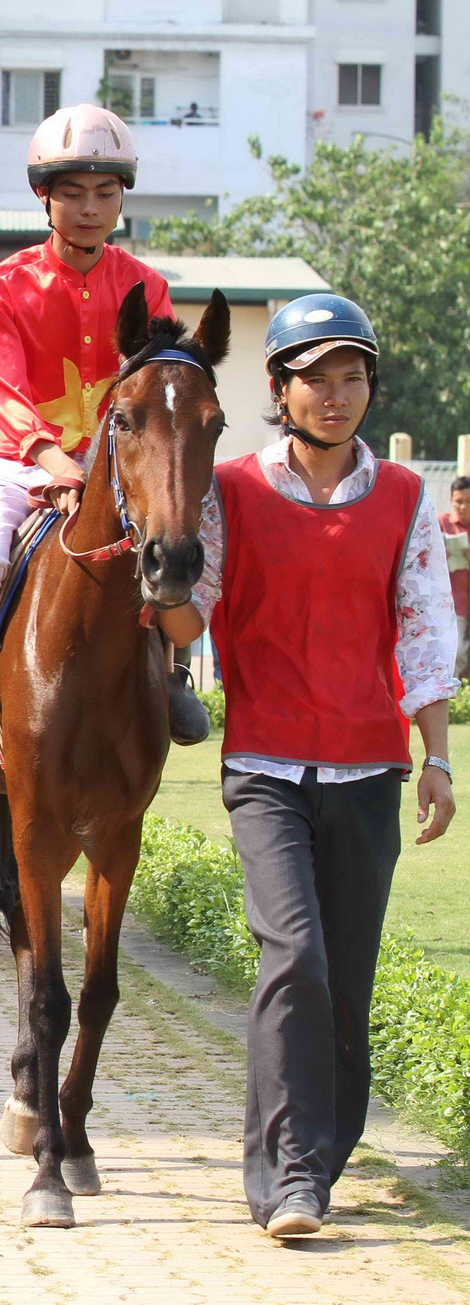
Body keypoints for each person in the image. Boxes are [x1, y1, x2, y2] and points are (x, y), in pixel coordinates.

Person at [157, 292, 457, 1238]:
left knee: (348, 980)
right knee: (294, 957)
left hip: (370, 769)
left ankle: (318, 1154)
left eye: (351, 376)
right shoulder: (232, 490)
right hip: (265, 768)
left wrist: (439, 757)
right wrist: (153, 576)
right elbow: (189, 609)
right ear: (280, 391)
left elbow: (423, 630)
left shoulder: (407, 500)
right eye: (314, 378)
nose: (335, 395)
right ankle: (291, 1175)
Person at [0, 104, 206, 752]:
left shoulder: (148, 286)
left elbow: (156, 388)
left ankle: (175, 673)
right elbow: (3, 390)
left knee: (170, 540)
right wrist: (54, 462)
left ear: (121, 198)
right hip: (17, 463)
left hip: (115, 464)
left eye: (105, 193)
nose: (90, 207)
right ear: (45, 197)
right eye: (73, 193)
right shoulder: (2, 287)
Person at [442, 476, 468, 680]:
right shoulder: (442, 523)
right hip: (453, 604)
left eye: (468, 502)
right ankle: (455, 703)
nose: (463, 506)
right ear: (451, 500)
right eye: (459, 501)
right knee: (455, 652)